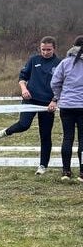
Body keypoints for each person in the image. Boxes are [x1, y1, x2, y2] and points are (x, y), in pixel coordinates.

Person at [0, 37, 60, 175]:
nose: (45, 52)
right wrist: (24, 89)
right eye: (43, 49)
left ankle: (42, 166)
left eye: (49, 49)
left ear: (54, 49)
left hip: (48, 104)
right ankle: (5, 132)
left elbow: (62, 84)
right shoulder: (33, 60)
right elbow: (22, 77)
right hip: (30, 99)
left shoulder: (59, 63)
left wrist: (55, 100)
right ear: (40, 48)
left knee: (45, 135)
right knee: (24, 124)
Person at [49, 36, 83, 181]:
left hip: (67, 106)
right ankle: (82, 173)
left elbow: (54, 82)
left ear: (73, 46)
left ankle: (66, 171)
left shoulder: (65, 63)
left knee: (67, 138)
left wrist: (58, 97)